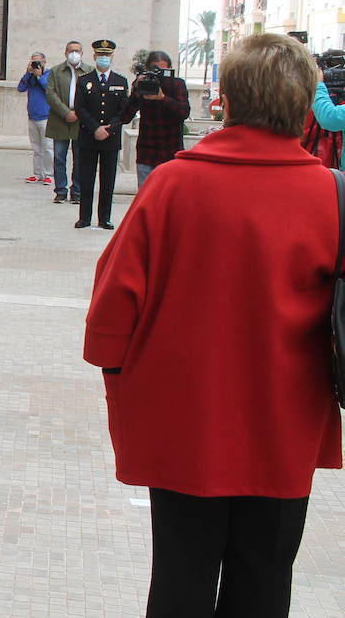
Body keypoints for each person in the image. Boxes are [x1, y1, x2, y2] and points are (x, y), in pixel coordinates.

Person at [84, 33, 340, 618]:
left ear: (225, 98)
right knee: (266, 577)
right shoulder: (332, 193)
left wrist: (124, 378)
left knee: (180, 575)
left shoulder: (173, 184)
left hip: (184, 420)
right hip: (286, 424)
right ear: (305, 104)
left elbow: (110, 312)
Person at [73, 39, 128, 230]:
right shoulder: (85, 80)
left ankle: (104, 218)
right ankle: (84, 217)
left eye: (107, 55)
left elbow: (123, 112)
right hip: (89, 137)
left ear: (112, 57)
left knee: (108, 181)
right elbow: (80, 108)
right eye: (100, 55)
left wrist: (109, 129)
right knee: (86, 179)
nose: (104, 58)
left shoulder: (120, 82)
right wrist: (95, 128)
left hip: (110, 140)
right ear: (95, 56)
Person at [119, 50, 190, 189]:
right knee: (145, 199)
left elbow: (184, 112)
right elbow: (125, 117)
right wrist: (136, 93)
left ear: (169, 69)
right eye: (155, 70)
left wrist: (163, 99)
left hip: (171, 152)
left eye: (163, 70)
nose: (159, 74)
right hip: (147, 154)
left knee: (168, 200)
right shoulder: (143, 85)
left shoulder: (177, 85)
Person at [44, 40, 93, 205]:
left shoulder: (89, 72)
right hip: (60, 120)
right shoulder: (56, 71)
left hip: (81, 122)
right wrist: (66, 113)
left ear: (82, 53)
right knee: (59, 157)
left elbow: (92, 96)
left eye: (77, 50)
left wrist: (78, 113)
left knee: (80, 158)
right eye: (71, 50)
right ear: (65, 52)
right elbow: (50, 94)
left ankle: (77, 191)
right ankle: (61, 191)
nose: (74, 53)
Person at [16, 52, 52, 185]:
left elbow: (49, 88)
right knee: (36, 148)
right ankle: (38, 173)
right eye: (33, 62)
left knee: (47, 147)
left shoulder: (49, 74)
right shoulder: (30, 76)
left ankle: (48, 174)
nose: (36, 64)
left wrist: (39, 76)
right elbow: (20, 88)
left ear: (44, 62)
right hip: (32, 116)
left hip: (45, 117)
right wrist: (28, 73)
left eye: (38, 62)